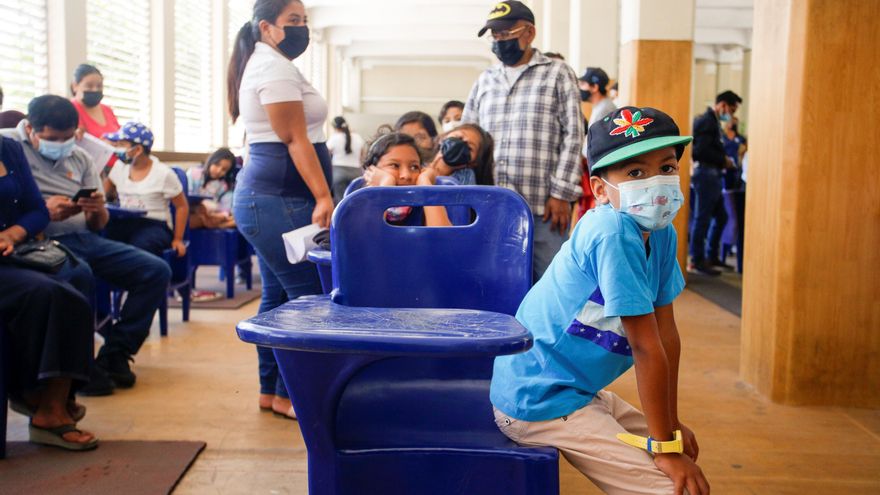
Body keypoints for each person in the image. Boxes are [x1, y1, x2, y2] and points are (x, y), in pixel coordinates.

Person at [491, 107, 710, 495]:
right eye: (636, 173)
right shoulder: (610, 231)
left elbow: (666, 336)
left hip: (580, 390)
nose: (657, 182)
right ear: (600, 189)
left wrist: (671, 427)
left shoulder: (659, 232)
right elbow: (645, 346)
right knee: (670, 488)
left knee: (685, 458)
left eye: (667, 167)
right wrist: (664, 447)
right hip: (540, 398)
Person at [0, 96, 172, 395]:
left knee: (155, 270)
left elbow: (100, 223)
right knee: (78, 276)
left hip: (83, 237)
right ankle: (77, 367)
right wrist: (45, 210)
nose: (62, 144)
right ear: (30, 128)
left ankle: (116, 354)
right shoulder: (12, 148)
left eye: (68, 138)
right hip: (38, 242)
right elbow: (18, 205)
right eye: (53, 139)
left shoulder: (80, 157)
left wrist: (94, 209)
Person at [228, 0, 333, 420]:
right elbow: (294, 139)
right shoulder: (272, 68)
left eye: (304, 21)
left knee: (277, 296)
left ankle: (273, 392)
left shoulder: (270, 63)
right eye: (294, 21)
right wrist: (324, 197)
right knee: (307, 298)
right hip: (277, 198)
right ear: (267, 27)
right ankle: (298, 396)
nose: (301, 28)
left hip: (274, 197)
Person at [463, 1, 583, 282]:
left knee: (552, 285)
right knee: (498, 284)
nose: (499, 42)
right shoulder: (485, 80)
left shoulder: (558, 73)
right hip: (492, 208)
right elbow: (468, 135)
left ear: (529, 33)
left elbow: (574, 134)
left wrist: (561, 193)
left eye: (505, 34)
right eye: (494, 36)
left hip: (543, 208)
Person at [1, 134, 98, 450]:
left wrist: (12, 234)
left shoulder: (9, 149)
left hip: (11, 253)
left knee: (74, 288)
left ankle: (49, 400)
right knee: (51, 295)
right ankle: (41, 400)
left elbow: (36, 211)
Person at [102, 122, 189, 258]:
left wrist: (178, 239)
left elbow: (182, 206)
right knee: (104, 241)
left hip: (154, 224)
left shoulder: (164, 173)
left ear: (138, 150)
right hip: (126, 221)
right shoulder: (120, 166)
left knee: (140, 248)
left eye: (122, 145)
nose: (117, 148)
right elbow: (104, 193)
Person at [690, 90, 741, 276]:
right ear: (722, 105)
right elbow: (699, 151)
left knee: (721, 217)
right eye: (731, 109)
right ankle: (696, 260)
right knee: (701, 218)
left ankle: (711, 256)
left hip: (713, 175)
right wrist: (723, 160)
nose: (732, 115)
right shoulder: (706, 121)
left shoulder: (714, 123)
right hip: (706, 174)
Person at [361, 131, 451, 227]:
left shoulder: (425, 205)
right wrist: (386, 184)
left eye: (414, 167)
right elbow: (369, 237)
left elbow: (444, 238)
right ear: (371, 171)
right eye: (394, 165)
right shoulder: (359, 203)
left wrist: (424, 182)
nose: (406, 175)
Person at [69, 64, 120, 169]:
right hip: (91, 171)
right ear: (75, 86)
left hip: (117, 170)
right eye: (89, 86)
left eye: (99, 86)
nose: (95, 90)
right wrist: (103, 146)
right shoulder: (70, 109)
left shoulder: (107, 110)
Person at [428, 123, 494, 186]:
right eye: (458, 137)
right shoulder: (421, 161)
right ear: (443, 137)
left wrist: (426, 177)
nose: (459, 145)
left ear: (473, 163)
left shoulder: (466, 176)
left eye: (469, 148)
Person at [187, 147, 237, 229]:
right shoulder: (193, 173)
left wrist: (219, 215)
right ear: (211, 161)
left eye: (224, 170)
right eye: (217, 165)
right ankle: (217, 225)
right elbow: (186, 198)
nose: (218, 171)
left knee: (232, 218)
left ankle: (216, 224)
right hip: (193, 212)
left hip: (213, 215)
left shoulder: (225, 187)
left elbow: (225, 210)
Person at [579, 67, 618, 157]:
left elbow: (596, 145)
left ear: (594, 87)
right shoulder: (600, 106)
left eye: (583, 84)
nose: (579, 88)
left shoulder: (604, 109)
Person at [326, 116, 365, 201]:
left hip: (338, 172)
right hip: (356, 173)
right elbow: (362, 156)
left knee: (340, 202)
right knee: (356, 201)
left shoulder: (334, 138)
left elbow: (326, 155)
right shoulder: (357, 137)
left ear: (334, 127)